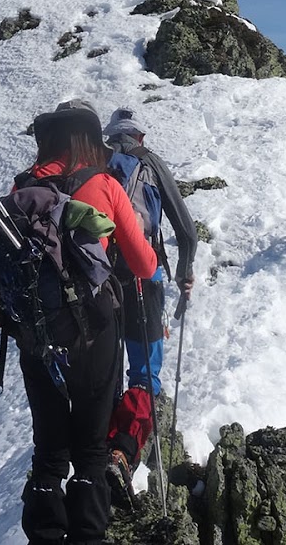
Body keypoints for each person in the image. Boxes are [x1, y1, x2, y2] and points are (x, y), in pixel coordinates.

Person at [0, 99, 157, 545]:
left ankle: (45, 534)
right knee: (91, 449)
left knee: (50, 450)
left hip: (35, 337)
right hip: (94, 332)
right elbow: (146, 266)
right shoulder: (103, 184)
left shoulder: (21, 188)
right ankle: (88, 535)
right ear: (89, 140)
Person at [101, 107, 199, 497]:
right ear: (139, 136)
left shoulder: (97, 166)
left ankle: (98, 453)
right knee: (143, 373)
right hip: (144, 278)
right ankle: (123, 453)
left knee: (106, 370)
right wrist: (183, 272)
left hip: (99, 281)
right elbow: (186, 231)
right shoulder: (150, 163)